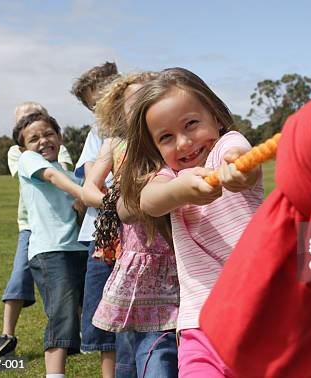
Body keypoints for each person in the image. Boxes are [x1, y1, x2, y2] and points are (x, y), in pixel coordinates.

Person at [119, 67, 263, 376]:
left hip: (264, 312)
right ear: (155, 147)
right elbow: (149, 201)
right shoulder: (168, 177)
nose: (183, 143)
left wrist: (238, 170)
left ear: (216, 118)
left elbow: (242, 159)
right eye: (166, 137)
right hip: (200, 324)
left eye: (191, 124)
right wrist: (180, 190)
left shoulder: (227, 146)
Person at [84, 72, 179, 377]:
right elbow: (89, 189)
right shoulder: (114, 143)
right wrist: (121, 205)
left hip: (175, 249)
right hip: (136, 251)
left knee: (162, 337)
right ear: (118, 111)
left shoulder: (166, 137)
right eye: (130, 103)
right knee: (134, 336)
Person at [0, 101, 73, 360]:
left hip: (59, 224)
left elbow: (64, 170)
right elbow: (41, 172)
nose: (30, 123)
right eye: (24, 122)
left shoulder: (60, 149)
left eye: (36, 118)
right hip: (31, 227)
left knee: (71, 280)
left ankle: (73, 333)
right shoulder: (19, 153)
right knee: (19, 277)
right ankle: (7, 334)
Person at [14, 111, 88, 377]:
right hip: (51, 252)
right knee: (62, 316)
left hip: (80, 250)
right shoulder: (28, 160)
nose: (44, 141)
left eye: (49, 134)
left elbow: (79, 211)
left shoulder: (72, 174)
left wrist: (82, 203)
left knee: (86, 313)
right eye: (34, 138)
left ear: (60, 137)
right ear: (25, 146)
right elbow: (53, 178)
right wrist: (86, 194)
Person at [70, 61, 119, 378]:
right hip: (101, 231)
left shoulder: (143, 121)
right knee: (104, 307)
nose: (98, 108)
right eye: (91, 105)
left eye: (100, 99)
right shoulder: (97, 133)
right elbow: (90, 174)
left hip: (137, 229)